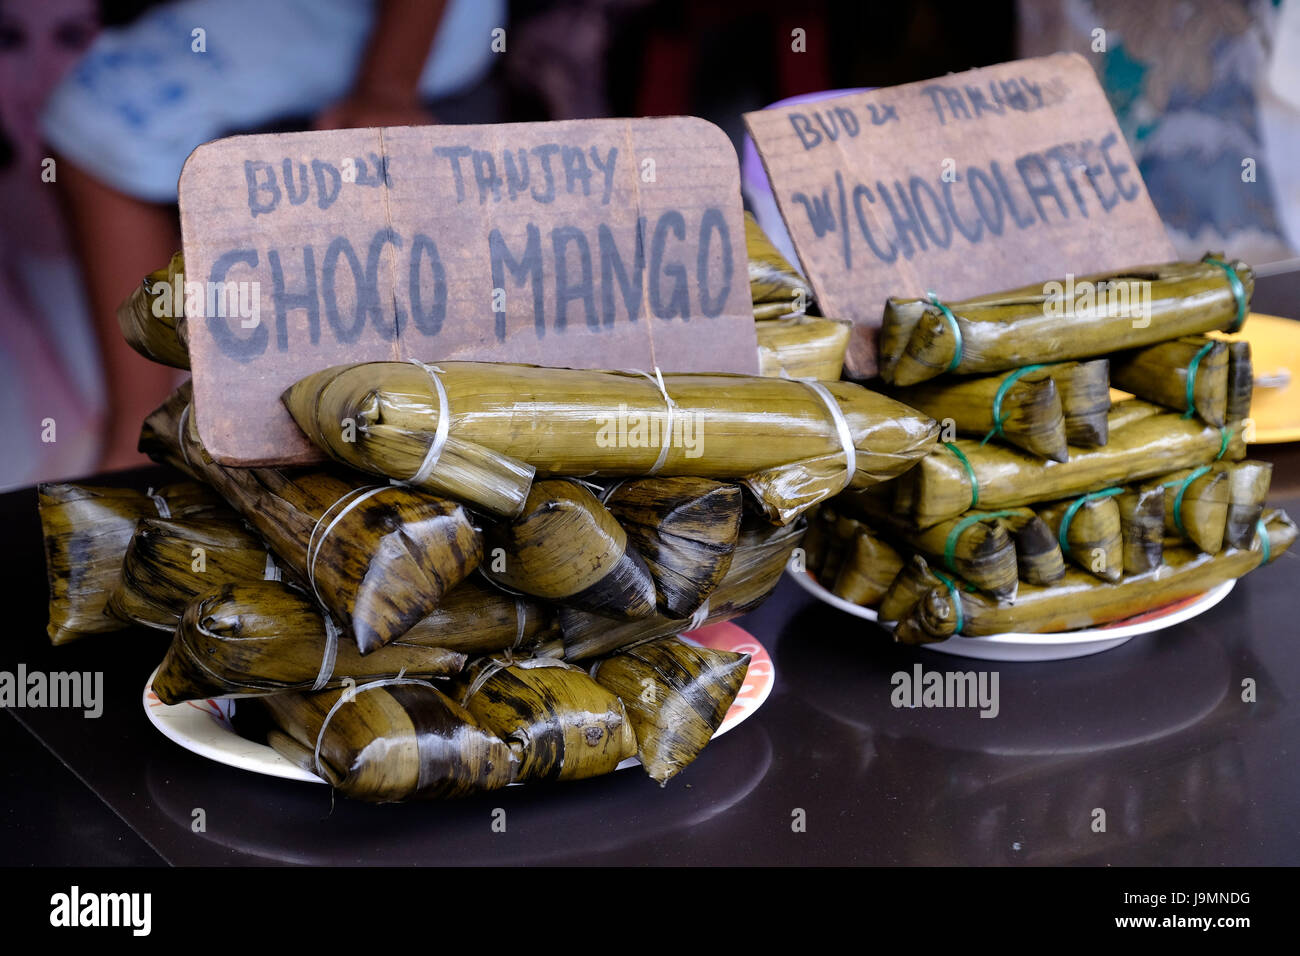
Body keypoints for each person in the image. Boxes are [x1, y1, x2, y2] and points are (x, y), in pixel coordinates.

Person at [39, 0, 503, 474]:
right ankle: (145, 444)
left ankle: (133, 448)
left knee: (94, 118)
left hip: (392, 28)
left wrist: (385, 92)